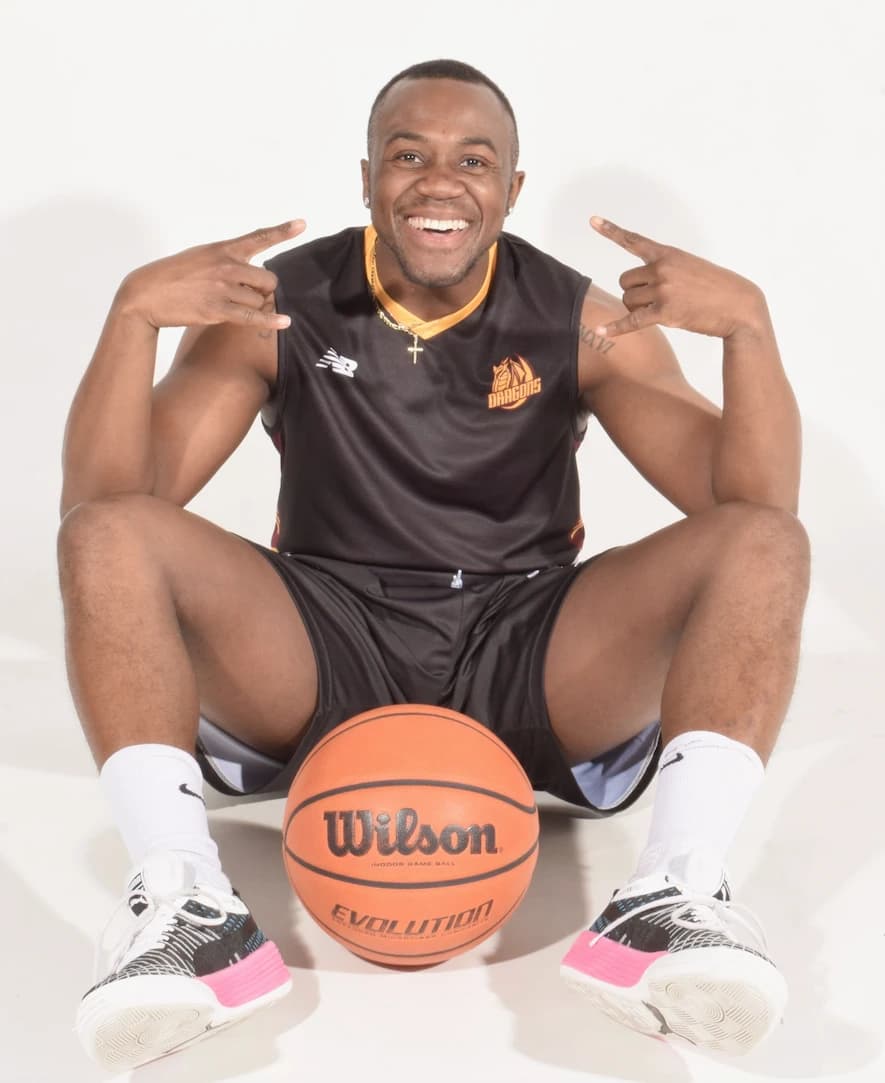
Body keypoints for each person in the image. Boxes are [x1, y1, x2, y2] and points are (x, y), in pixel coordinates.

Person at [59, 58, 808, 1071]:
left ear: (511, 189)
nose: (439, 181)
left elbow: (746, 512)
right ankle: (185, 903)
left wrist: (749, 331)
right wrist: (131, 319)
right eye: (409, 155)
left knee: (764, 542)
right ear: (368, 176)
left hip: (528, 648)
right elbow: (111, 502)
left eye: (473, 159)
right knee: (107, 538)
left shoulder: (578, 315)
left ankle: (670, 894)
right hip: (326, 637)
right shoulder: (281, 302)